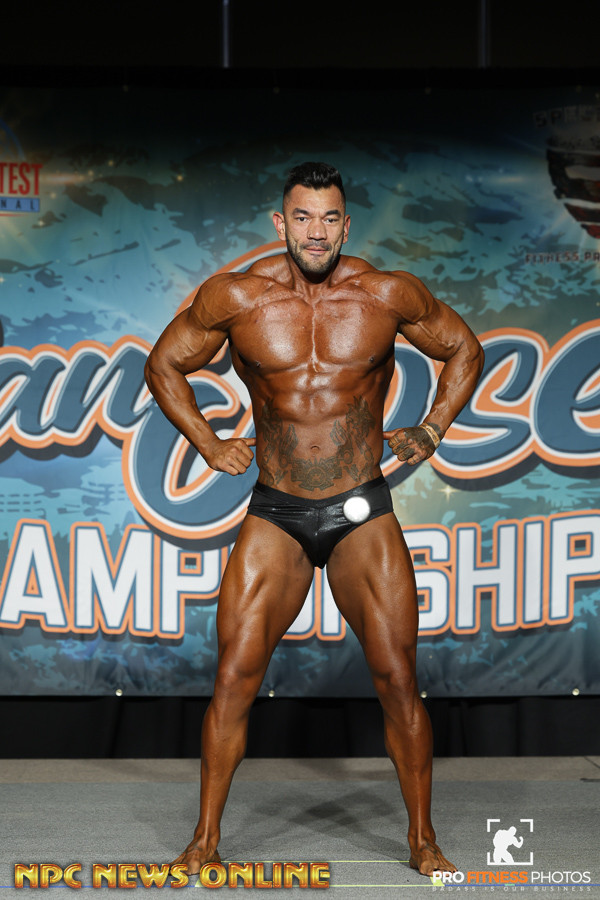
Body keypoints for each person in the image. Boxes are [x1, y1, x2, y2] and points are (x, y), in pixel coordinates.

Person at [144, 161, 484, 878]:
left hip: (361, 506)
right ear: (282, 222)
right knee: (234, 677)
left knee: (397, 678)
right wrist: (208, 443)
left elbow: (464, 349)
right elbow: (162, 365)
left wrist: (432, 428)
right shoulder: (236, 297)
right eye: (303, 217)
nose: (316, 232)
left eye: (329, 218)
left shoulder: (386, 293)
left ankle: (423, 840)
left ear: (346, 225)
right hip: (277, 509)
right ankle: (205, 839)